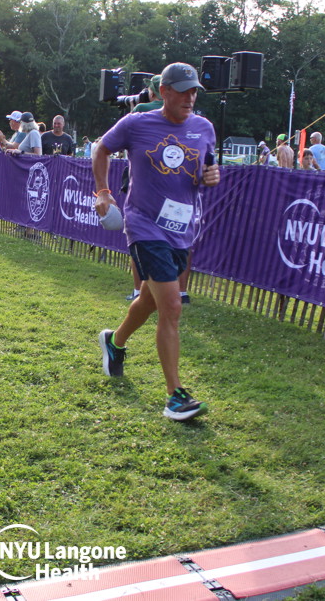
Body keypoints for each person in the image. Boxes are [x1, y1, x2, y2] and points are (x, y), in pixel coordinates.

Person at [93, 62, 221, 421]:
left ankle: (114, 342)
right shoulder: (136, 123)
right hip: (144, 225)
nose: (190, 98)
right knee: (172, 306)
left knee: (150, 301)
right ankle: (174, 396)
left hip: (181, 228)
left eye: (194, 91)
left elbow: (206, 170)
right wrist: (103, 191)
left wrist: (211, 176)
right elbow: (101, 149)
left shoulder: (204, 128)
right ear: (164, 91)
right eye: (182, 91)